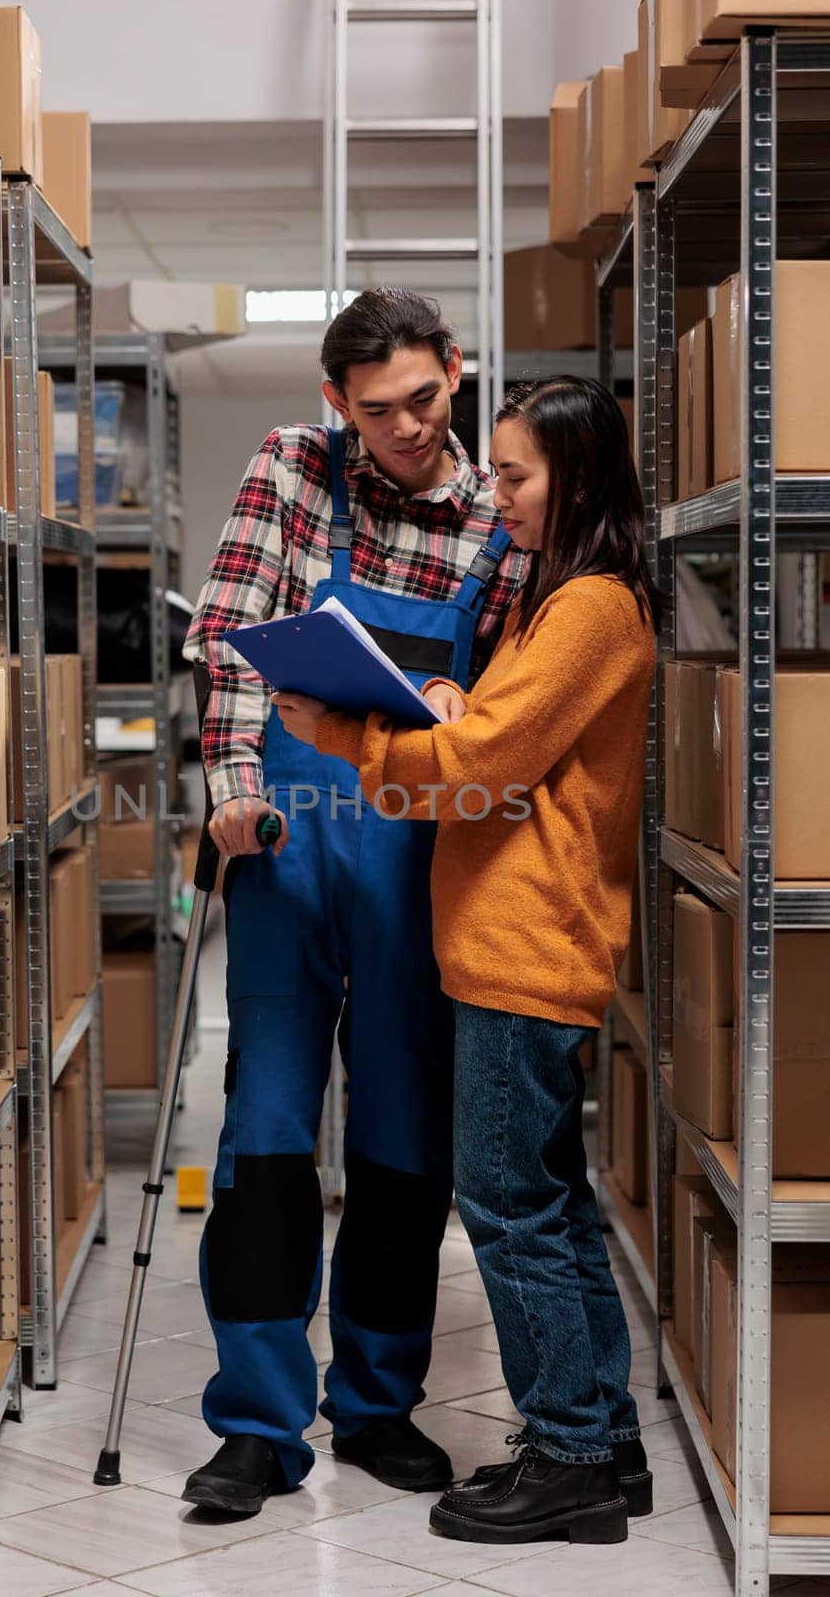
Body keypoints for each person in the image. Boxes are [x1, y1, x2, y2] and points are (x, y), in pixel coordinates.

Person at [275, 375, 659, 1547]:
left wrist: (338, 729)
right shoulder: (558, 604)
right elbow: (504, 729)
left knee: (506, 1207)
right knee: (549, 1201)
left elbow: (485, 759)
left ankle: (569, 1461)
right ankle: (604, 1442)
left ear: (578, 477)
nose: (496, 497)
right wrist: (443, 699)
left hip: (524, 949)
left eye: (516, 476)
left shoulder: (590, 604)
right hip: (517, 943)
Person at [180, 287, 528, 1515]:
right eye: (376, 411)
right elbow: (229, 636)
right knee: (267, 1137)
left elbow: (507, 704)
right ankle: (259, 1422)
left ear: (455, 369)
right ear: (337, 402)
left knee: (399, 1140)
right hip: (282, 839)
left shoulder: (497, 513)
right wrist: (229, 785)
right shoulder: (294, 467)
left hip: (419, 853)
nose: (406, 428)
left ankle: (377, 1404)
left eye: (425, 400)